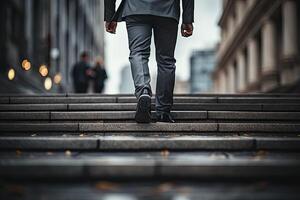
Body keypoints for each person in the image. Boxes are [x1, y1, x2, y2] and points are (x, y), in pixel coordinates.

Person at [104, 0, 194, 123]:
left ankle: (143, 91)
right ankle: (163, 111)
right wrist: (187, 18)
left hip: (135, 7)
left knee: (138, 53)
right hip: (167, 9)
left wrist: (110, 16)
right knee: (166, 60)